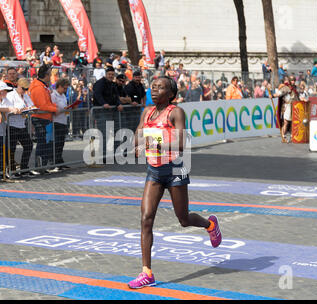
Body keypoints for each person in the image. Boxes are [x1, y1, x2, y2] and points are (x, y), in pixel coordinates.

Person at [128, 76, 222, 289]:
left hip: (175, 170)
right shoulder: (148, 111)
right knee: (145, 219)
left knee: (183, 219)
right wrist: (138, 144)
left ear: (170, 94)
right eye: (153, 86)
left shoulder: (176, 112)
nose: (155, 90)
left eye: (160, 87)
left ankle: (210, 225)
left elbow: (181, 142)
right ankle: (147, 272)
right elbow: (138, 135)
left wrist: (155, 143)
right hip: (154, 171)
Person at [29, 64, 58, 171]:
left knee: (47, 142)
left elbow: (46, 104)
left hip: (46, 118)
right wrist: (56, 108)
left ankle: (44, 165)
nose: (51, 77)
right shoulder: (38, 88)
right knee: (43, 142)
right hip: (41, 118)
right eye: (50, 74)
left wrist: (55, 107)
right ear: (46, 75)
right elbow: (43, 105)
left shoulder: (42, 86)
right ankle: (39, 167)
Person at [92, 66, 123, 160]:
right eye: (109, 74)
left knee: (116, 133)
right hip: (101, 112)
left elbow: (116, 96)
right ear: (106, 74)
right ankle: (103, 156)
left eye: (112, 75)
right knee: (104, 134)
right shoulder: (99, 83)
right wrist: (103, 103)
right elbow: (97, 94)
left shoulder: (113, 84)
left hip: (112, 111)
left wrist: (118, 104)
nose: (111, 76)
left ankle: (115, 154)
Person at [7, 78, 34, 176]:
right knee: (12, 148)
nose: (25, 91)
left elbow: (32, 105)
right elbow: (8, 109)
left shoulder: (26, 96)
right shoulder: (11, 95)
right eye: (23, 88)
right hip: (12, 125)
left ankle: (24, 167)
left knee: (28, 145)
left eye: (26, 89)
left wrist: (30, 109)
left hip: (22, 124)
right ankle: (12, 170)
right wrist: (18, 109)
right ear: (18, 86)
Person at [51, 78, 72, 170]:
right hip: (56, 121)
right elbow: (54, 109)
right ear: (59, 86)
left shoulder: (63, 95)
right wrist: (64, 109)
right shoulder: (53, 95)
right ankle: (55, 161)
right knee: (56, 143)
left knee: (61, 143)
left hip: (63, 120)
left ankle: (59, 161)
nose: (65, 90)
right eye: (64, 88)